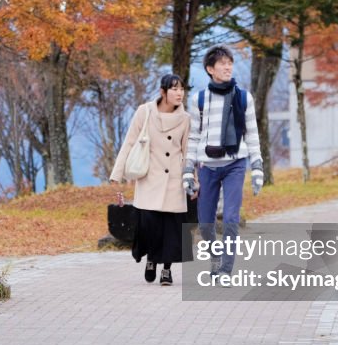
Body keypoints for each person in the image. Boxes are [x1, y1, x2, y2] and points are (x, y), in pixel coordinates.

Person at [183, 46, 264, 276]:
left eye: (230, 62)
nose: (228, 67)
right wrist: (188, 169)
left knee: (230, 218)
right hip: (207, 166)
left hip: (235, 164)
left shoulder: (243, 97)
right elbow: (194, 136)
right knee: (204, 222)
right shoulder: (199, 99)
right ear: (210, 69)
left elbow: (252, 135)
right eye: (222, 63)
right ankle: (215, 256)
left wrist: (257, 167)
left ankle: (226, 270)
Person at [110, 74, 195, 286]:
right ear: (163, 92)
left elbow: (188, 152)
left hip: (174, 180)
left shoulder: (186, 119)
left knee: (171, 228)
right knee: (150, 226)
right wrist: (116, 174)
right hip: (150, 179)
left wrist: (193, 179)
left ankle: (166, 269)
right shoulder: (145, 112)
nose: (179, 93)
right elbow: (129, 143)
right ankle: (151, 260)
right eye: (174, 89)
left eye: (182, 89)